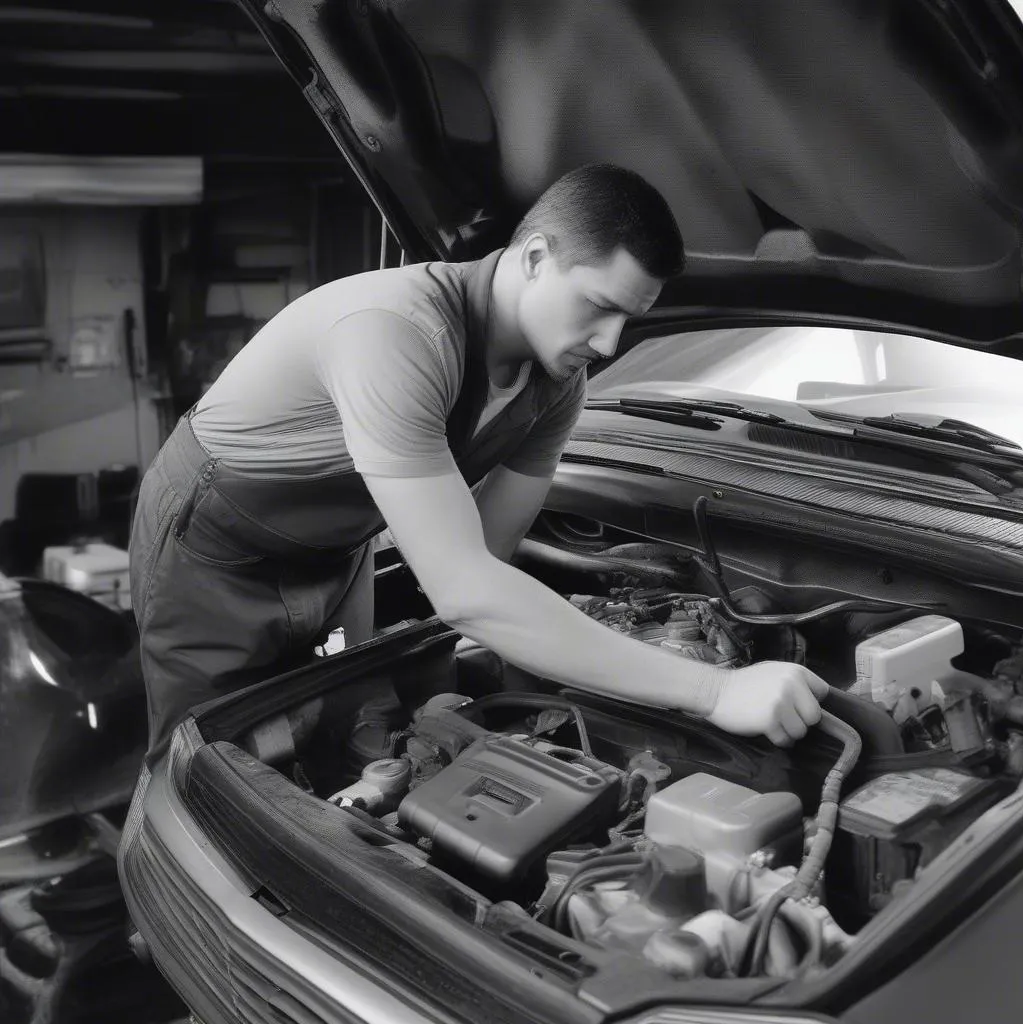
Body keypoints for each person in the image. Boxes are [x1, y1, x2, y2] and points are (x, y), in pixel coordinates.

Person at [129, 163, 827, 765]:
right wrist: (711, 691)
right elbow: (466, 592)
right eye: (599, 307)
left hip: (339, 551)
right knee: (204, 761)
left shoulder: (556, 385)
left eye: (630, 319)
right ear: (532, 258)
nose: (611, 343)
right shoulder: (398, 334)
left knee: (339, 726)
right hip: (215, 547)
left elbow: (485, 557)